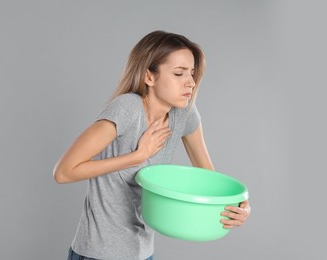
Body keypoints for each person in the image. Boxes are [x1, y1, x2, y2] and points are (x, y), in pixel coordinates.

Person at [53, 30, 251, 260]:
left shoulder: (184, 114)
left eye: (192, 73)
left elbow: (210, 180)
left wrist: (241, 207)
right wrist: (137, 157)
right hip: (98, 254)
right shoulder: (127, 109)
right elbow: (63, 172)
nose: (190, 82)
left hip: (143, 253)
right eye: (179, 73)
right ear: (149, 77)